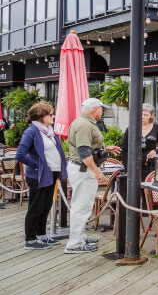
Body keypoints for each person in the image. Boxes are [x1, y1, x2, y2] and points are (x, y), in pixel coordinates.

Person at [15, 101, 67, 250]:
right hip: (39, 175)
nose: (53, 116)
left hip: (51, 174)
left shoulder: (49, 131)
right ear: (40, 116)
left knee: (46, 206)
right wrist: (38, 165)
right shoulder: (31, 132)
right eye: (50, 114)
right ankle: (30, 239)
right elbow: (21, 154)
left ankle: (41, 235)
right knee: (36, 206)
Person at [65, 98, 110, 254]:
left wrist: (105, 149)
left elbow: (86, 147)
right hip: (84, 169)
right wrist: (97, 172)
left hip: (81, 168)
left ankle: (80, 237)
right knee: (81, 206)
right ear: (94, 109)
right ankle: (74, 243)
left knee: (82, 205)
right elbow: (84, 151)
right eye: (101, 108)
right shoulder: (84, 125)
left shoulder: (82, 122)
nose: (102, 111)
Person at [120, 107, 158, 180]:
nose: (142, 117)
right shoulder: (131, 128)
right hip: (134, 165)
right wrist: (127, 169)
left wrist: (155, 151)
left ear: (151, 115)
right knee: (134, 190)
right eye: (141, 114)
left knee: (148, 189)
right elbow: (124, 150)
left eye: (145, 115)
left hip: (151, 166)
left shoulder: (157, 128)